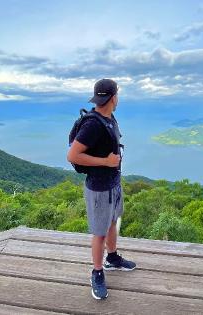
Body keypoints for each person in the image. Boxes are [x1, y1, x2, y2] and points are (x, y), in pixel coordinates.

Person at [66, 78, 136, 300]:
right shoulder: (93, 124)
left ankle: (112, 258)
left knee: (112, 221)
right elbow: (73, 155)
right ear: (113, 97)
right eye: (118, 94)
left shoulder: (108, 118)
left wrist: (111, 166)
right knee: (99, 231)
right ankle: (97, 272)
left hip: (113, 183)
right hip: (98, 188)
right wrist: (106, 162)